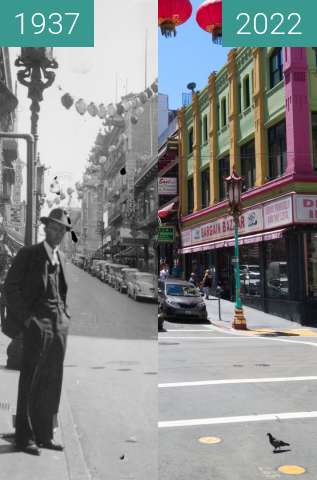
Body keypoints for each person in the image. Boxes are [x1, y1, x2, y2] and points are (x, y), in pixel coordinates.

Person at [3, 208, 72, 456]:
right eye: (53, 227)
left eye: (61, 229)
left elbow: (62, 291)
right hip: (36, 325)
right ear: (45, 229)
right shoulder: (28, 254)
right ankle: (25, 436)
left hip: (58, 327)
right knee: (30, 381)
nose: (57, 233)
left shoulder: (61, 258)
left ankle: (45, 435)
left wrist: (64, 316)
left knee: (52, 380)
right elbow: (10, 288)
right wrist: (28, 319)